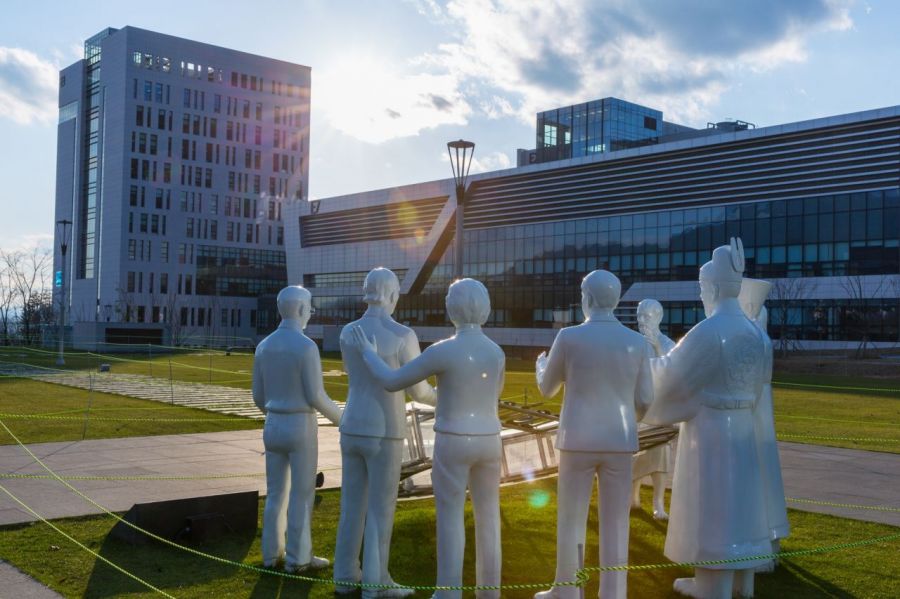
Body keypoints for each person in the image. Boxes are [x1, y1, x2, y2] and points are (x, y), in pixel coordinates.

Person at [352, 278, 505, 599]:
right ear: (486, 308)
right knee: (489, 517)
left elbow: (393, 381)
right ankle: (489, 592)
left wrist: (369, 354)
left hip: (452, 439)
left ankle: (449, 592)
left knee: (450, 517)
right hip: (490, 439)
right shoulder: (496, 352)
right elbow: (495, 395)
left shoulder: (443, 351)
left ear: (451, 310)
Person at [645, 239, 771, 599]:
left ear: (713, 288)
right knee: (743, 504)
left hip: (712, 430)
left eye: (702, 288)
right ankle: (743, 581)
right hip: (743, 427)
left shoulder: (709, 331)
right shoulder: (755, 334)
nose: (702, 295)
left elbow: (670, 375)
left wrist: (638, 372)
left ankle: (711, 585)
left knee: (712, 503)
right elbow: (759, 388)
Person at [533, 270, 653, 599]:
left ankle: (568, 589)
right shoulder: (636, 342)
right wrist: (629, 420)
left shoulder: (570, 338)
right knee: (616, 522)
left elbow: (547, 389)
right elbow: (644, 399)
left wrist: (540, 366)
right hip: (619, 440)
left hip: (577, 440)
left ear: (586, 298)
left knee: (572, 518)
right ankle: (613, 593)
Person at [334, 268, 436, 598]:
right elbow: (419, 392)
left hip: (352, 424)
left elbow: (356, 375)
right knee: (380, 508)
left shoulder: (349, 332)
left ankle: (346, 575)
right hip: (385, 430)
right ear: (392, 294)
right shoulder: (403, 335)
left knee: (351, 506)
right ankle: (376, 584)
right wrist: (445, 398)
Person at [251, 285, 342, 572]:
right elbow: (316, 395)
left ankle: (270, 553)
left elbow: (258, 396)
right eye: (310, 309)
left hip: (273, 422)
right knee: (302, 494)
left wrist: (275, 412)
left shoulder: (264, 346)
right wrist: (342, 418)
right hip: (299, 423)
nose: (310, 314)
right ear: (302, 310)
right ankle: (298, 557)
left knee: (275, 492)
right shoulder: (306, 346)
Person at [739, 278, 790, 566]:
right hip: (760, 411)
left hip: (753, 411)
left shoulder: (754, 340)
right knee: (765, 475)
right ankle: (769, 541)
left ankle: (759, 543)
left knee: (756, 475)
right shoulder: (762, 339)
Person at [632, 298, 677, 521]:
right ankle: (633, 497)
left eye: (646, 316)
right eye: (639, 315)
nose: (641, 320)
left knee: (660, 456)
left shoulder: (667, 344)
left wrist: (657, 347)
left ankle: (658, 502)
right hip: (636, 408)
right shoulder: (632, 342)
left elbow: (673, 373)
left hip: (658, 410)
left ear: (658, 317)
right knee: (634, 453)